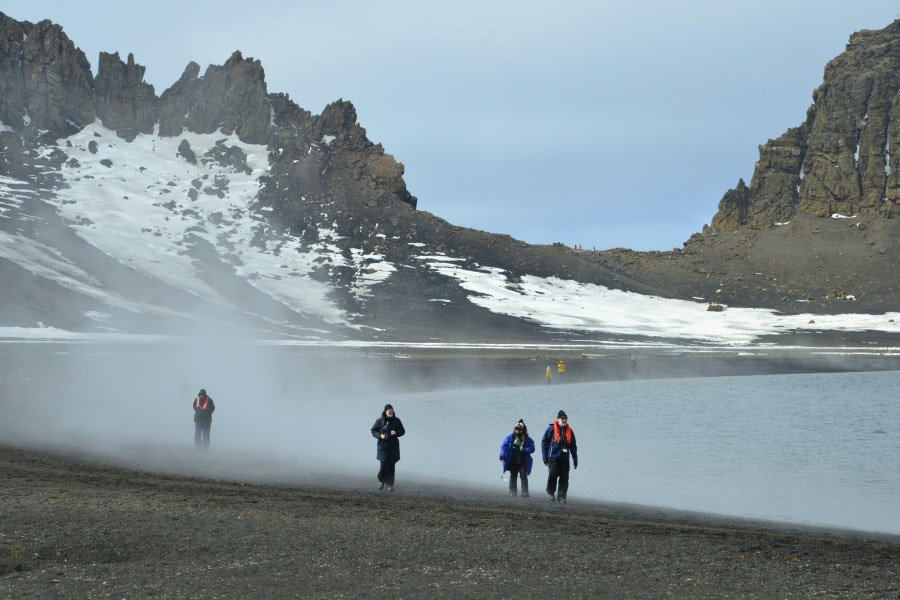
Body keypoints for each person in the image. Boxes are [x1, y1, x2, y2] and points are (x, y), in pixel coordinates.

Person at [541, 410, 578, 503]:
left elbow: (573, 446)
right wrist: (544, 456)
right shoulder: (551, 429)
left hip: (565, 458)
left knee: (565, 477)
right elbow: (544, 442)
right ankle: (550, 492)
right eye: (562, 418)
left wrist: (575, 458)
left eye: (565, 418)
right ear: (558, 419)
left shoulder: (570, 431)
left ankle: (562, 497)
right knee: (553, 474)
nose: (564, 420)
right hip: (553, 456)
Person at [371, 403, 405, 491]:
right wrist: (380, 436)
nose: (390, 412)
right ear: (385, 411)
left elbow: (402, 431)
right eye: (389, 410)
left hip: (393, 446)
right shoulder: (380, 421)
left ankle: (389, 485)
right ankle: (381, 481)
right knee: (383, 465)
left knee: (391, 466)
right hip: (383, 446)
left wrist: (396, 433)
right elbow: (373, 430)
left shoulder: (397, 421)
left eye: (392, 410)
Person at [499, 419, 535, 497]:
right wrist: (502, 454)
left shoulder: (528, 439)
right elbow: (503, 446)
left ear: (523, 430)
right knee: (513, 476)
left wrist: (525, 450)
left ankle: (525, 492)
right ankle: (512, 491)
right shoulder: (510, 437)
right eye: (516, 429)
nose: (517, 431)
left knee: (523, 476)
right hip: (513, 461)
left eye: (519, 429)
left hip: (523, 461)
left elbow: (532, 448)